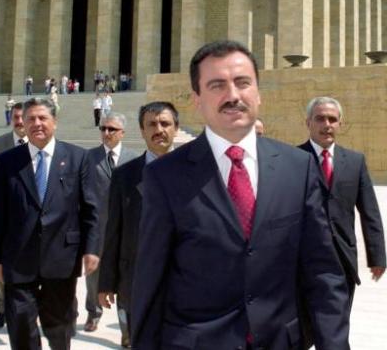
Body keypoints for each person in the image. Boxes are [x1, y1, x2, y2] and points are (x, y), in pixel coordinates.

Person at [131, 40, 350, 350]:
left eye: (242, 83)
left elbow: (323, 271)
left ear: (258, 93)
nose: (232, 95)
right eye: (217, 85)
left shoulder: (298, 168)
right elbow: (150, 281)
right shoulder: (165, 176)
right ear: (197, 99)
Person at [0, 97, 100, 350]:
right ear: (23, 123)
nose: (36, 123)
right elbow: (0, 213)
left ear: (55, 122)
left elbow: (91, 209)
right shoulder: (7, 161)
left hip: (61, 257)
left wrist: (92, 249)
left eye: (42, 118)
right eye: (31, 119)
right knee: (20, 324)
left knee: (59, 326)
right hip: (18, 258)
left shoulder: (77, 157)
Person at [298, 96, 386, 344]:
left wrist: (377, 257)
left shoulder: (355, 161)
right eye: (320, 119)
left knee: (335, 333)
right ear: (308, 123)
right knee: (301, 332)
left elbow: (370, 211)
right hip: (300, 262)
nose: (327, 124)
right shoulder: (292, 159)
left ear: (340, 124)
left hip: (341, 261)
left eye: (332, 119)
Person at [99, 101, 179, 349]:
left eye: (165, 123)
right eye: (151, 124)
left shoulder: (197, 171)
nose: (159, 129)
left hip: (184, 282)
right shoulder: (125, 175)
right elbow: (114, 231)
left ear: (176, 128)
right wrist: (106, 282)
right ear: (142, 131)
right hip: (137, 281)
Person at [84, 112, 138, 333]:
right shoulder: (88, 158)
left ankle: (126, 329)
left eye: (112, 129)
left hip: (125, 229)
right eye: (103, 128)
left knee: (125, 278)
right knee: (93, 275)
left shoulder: (134, 159)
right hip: (97, 228)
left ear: (122, 132)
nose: (106, 133)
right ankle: (93, 312)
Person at [0, 102, 27, 328]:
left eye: (22, 117)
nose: (19, 121)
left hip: (32, 216)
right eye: (15, 117)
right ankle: (2, 307)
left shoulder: (39, 142)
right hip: (5, 216)